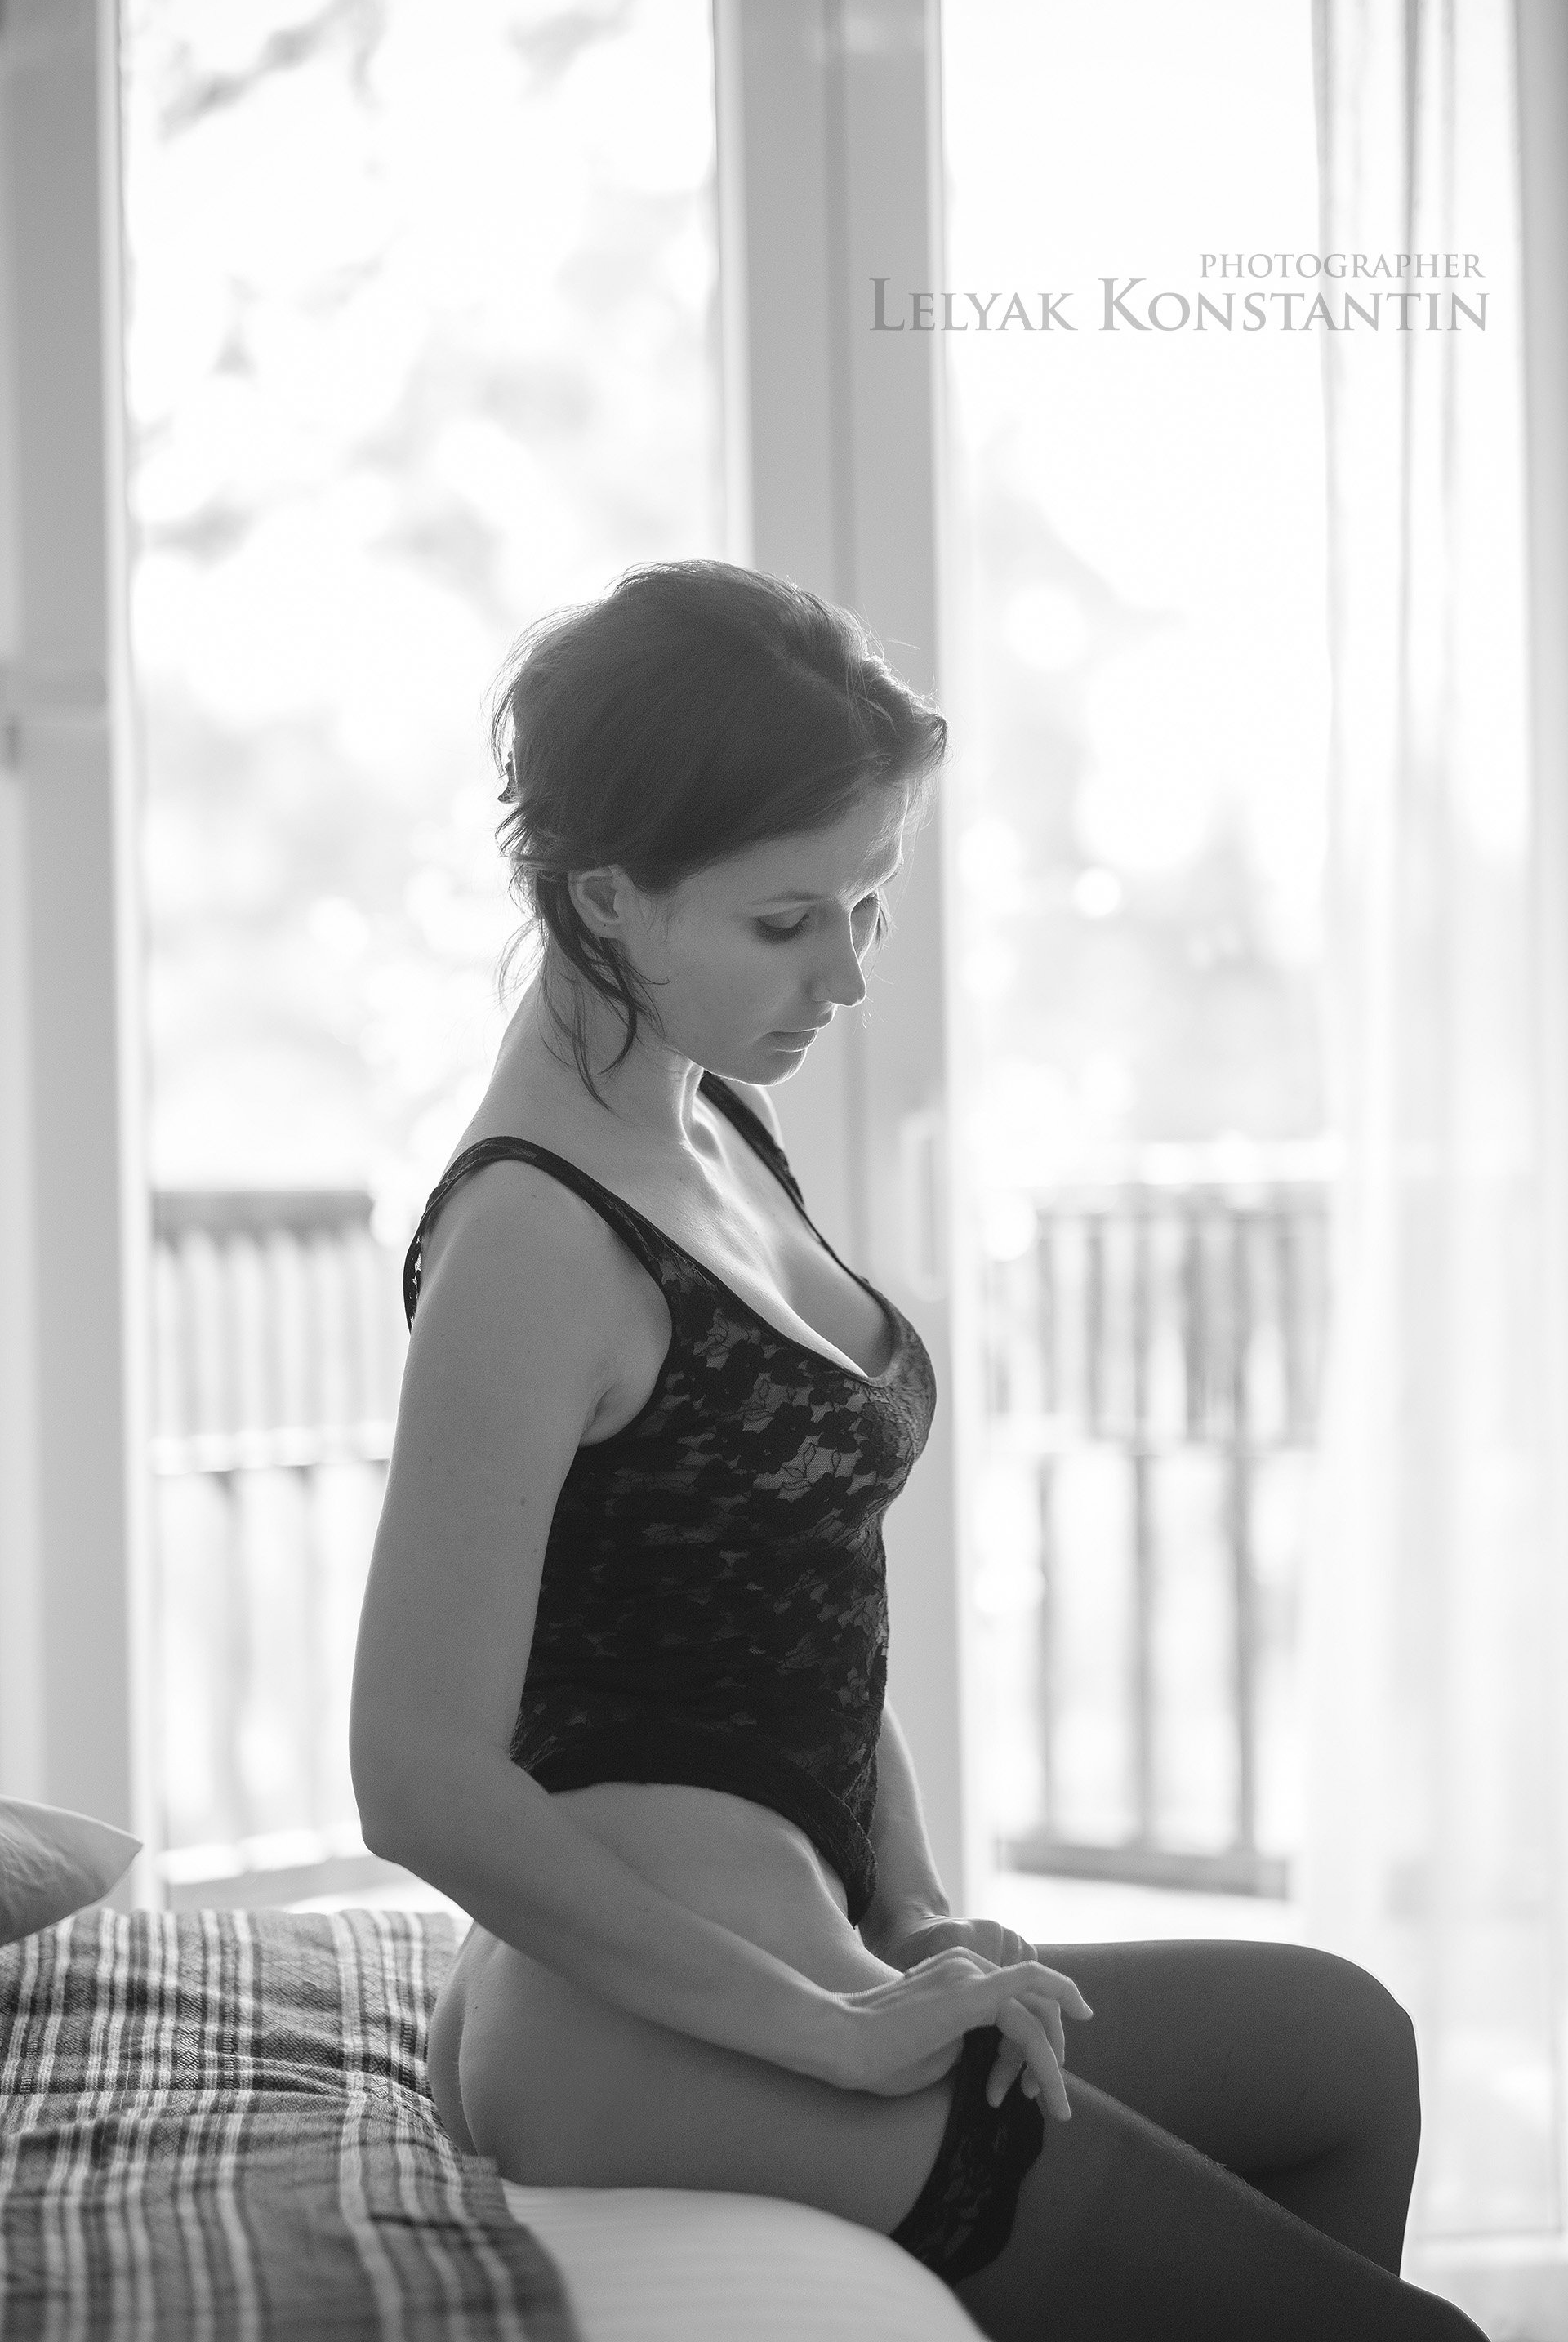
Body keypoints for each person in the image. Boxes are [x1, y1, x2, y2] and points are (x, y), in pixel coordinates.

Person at [350, 561, 1486, 2341]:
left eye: (870, 903)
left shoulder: (712, 1126)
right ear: (608, 898)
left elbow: (789, 1583)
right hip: (644, 2032)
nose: (850, 975)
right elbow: (415, 1774)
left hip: (809, 1943)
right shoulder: (530, 1239)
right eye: (788, 921)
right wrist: (838, 2028)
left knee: (1344, 2050)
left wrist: (921, 1910)